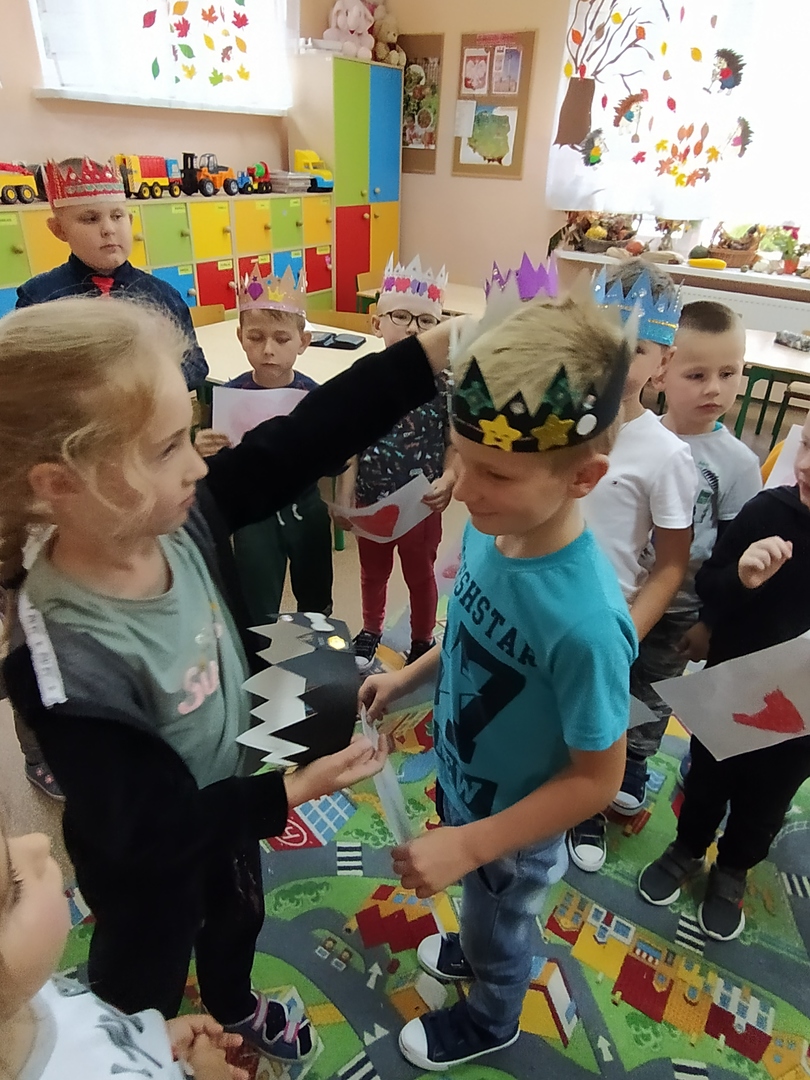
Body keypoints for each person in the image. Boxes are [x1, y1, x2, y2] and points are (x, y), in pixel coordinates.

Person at [0, 295, 453, 1059]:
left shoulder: (174, 516)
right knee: (146, 957)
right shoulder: (61, 669)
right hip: (145, 864)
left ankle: (233, 1001)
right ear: (61, 484)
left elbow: (297, 443)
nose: (197, 465)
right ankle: (141, 1043)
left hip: (228, 794)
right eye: (167, 448)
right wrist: (294, 791)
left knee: (238, 912)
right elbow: (151, 832)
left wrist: (428, 354)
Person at [359, 263, 637, 1071]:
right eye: (461, 459)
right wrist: (411, 677)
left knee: (503, 920)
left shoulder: (586, 624)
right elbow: (471, 636)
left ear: (583, 476)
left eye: (495, 473)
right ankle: (477, 940)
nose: (464, 489)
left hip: (514, 828)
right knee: (481, 908)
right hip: (469, 786)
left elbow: (596, 780)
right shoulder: (494, 529)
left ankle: (493, 1014)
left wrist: (475, 844)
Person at [638, 410, 810, 941]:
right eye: (808, 446)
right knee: (709, 777)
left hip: (802, 713)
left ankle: (733, 868)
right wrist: (741, 576)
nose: (807, 466)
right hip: (734, 683)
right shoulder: (767, 511)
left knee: (769, 797)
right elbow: (710, 585)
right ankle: (687, 847)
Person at [568, 260, 698, 873]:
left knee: (600, 724)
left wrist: (626, 632)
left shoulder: (667, 456)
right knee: (542, 713)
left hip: (605, 618)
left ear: (662, 364)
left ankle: (587, 808)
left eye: (636, 348)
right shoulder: (554, 423)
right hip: (539, 599)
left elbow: (671, 564)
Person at [0, 822, 247, 1080]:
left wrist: (151, 1043)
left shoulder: (22, 992)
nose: (38, 841)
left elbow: (84, 1031)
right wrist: (210, 1073)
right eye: (15, 885)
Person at [635, 301, 762, 783]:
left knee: (654, 690)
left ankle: (632, 766)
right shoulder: (635, 436)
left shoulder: (738, 463)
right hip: (621, 593)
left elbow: (734, 551)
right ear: (662, 372)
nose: (714, 388)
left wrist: (710, 621)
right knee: (603, 681)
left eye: (728, 374)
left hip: (682, 607)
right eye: (697, 375)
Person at [334, 255, 457, 668]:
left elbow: (454, 441)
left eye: (425, 321)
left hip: (422, 503)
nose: (412, 328)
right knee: (373, 572)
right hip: (372, 499)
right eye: (401, 316)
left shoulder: (444, 383)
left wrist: (450, 477)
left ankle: (421, 639)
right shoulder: (363, 376)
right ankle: (371, 628)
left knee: (420, 575)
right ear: (377, 322)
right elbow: (349, 439)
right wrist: (345, 493)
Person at [195, 265, 333, 624]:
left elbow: (336, 462)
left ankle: (316, 650)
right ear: (240, 337)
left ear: (303, 342)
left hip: (306, 510)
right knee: (257, 602)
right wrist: (200, 451)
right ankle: (262, 652)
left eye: (281, 339)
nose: (268, 350)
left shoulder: (315, 397)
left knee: (316, 597)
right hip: (252, 516)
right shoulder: (228, 397)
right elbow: (215, 472)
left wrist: (334, 447)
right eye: (255, 338)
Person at [16, 158, 208, 391]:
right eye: (90, 218)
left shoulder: (162, 295)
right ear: (59, 229)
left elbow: (196, 364)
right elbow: (24, 382)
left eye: (117, 216)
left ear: (130, 221)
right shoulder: (40, 299)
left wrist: (152, 382)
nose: (108, 229)